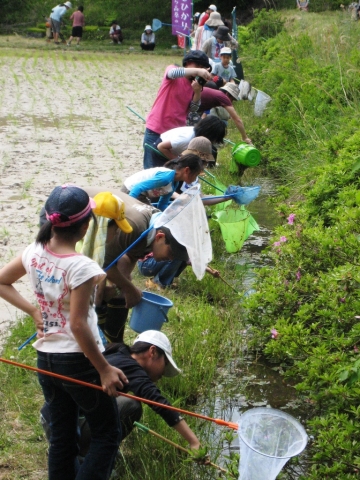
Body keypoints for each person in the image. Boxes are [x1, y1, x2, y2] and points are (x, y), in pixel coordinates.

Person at [0, 185, 128, 480]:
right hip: (78, 363)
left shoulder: (33, 252)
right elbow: (79, 324)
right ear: (85, 228)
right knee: (107, 434)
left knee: (62, 438)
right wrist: (105, 369)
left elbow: (3, 281)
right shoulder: (81, 266)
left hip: (46, 359)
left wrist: (34, 311)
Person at [41, 330, 204, 458]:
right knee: (131, 406)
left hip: (54, 418)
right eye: (165, 364)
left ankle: (83, 448)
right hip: (67, 427)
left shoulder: (117, 353)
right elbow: (159, 404)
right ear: (152, 352)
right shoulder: (132, 368)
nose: (162, 374)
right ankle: (86, 453)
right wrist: (193, 442)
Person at [143, 50, 212, 169]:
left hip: (174, 134)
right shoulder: (173, 71)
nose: (200, 70)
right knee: (151, 171)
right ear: (188, 63)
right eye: (197, 66)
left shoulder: (194, 85)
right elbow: (172, 73)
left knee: (170, 172)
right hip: (156, 129)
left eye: (203, 68)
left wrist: (197, 92)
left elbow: (193, 109)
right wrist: (198, 71)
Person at [121, 153, 204, 211]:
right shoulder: (166, 178)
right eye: (196, 174)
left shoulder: (174, 183)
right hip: (130, 190)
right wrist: (128, 206)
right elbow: (137, 187)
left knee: (154, 213)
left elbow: (162, 205)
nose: (195, 179)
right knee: (149, 214)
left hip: (140, 194)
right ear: (187, 170)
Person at [157, 115, 226, 162]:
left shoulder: (197, 139)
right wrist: (177, 161)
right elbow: (161, 146)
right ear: (209, 134)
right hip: (158, 151)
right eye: (214, 139)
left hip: (171, 151)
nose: (213, 142)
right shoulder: (187, 138)